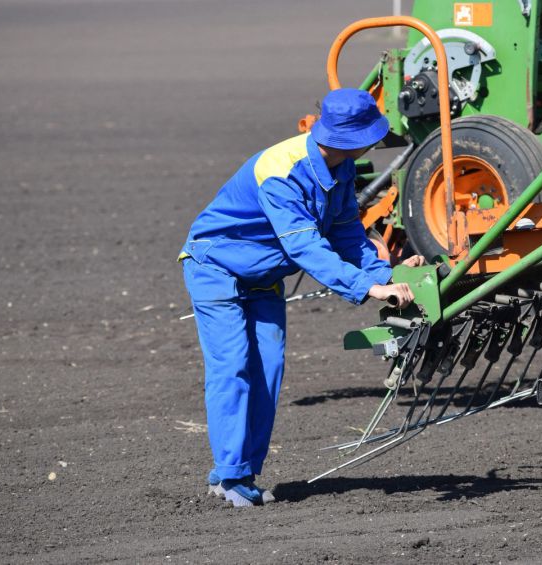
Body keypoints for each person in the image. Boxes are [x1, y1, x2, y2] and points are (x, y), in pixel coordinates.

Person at [179, 88, 424, 507]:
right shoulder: (282, 172)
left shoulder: (341, 167)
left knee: (268, 369)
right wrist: (368, 288)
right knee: (233, 367)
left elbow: (347, 231)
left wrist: (387, 276)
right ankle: (231, 477)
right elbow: (305, 247)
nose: (376, 142)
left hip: (263, 276)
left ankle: (237, 474)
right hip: (216, 268)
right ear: (351, 138)